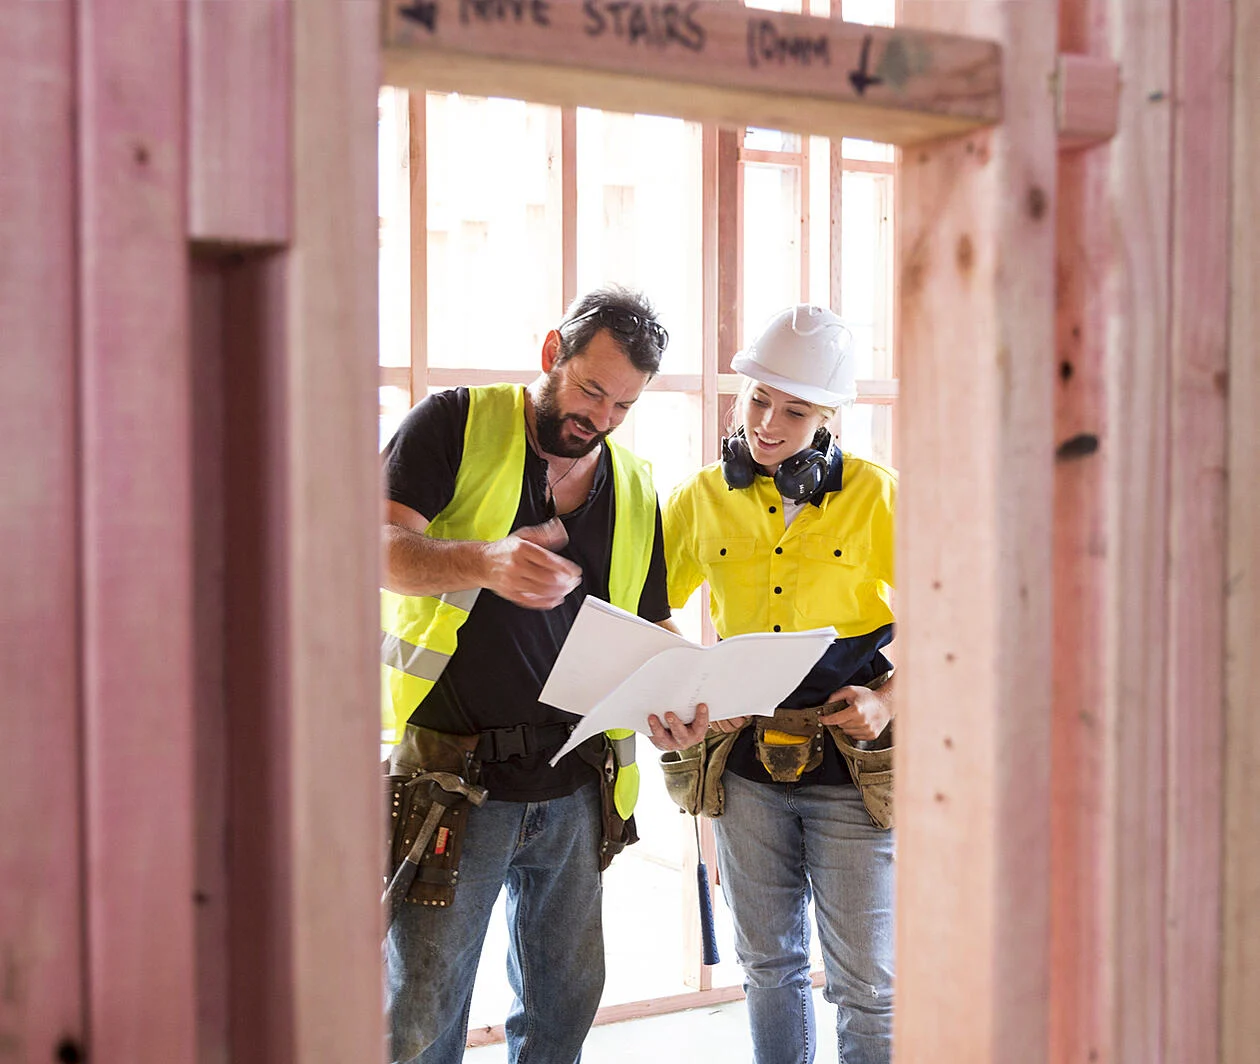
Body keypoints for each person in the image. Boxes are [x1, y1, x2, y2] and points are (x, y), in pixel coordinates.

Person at [380, 285, 674, 1064]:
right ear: (552, 354)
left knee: (563, 1010)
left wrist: (681, 693)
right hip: (454, 778)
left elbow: (654, 622)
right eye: (590, 390)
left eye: (622, 405)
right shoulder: (455, 422)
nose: (600, 419)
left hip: (576, 785)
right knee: (418, 1017)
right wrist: (484, 560)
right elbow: (372, 546)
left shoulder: (634, 483)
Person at [649, 304, 896, 1064]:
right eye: (758, 400)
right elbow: (647, 608)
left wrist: (889, 701)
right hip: (746, 768)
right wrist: (694, 684)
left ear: (828, 419)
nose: (768, 423)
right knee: (770, 969)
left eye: (795, 410)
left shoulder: (879, 495)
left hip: (852, 769)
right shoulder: (700, 498)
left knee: (869, 984)